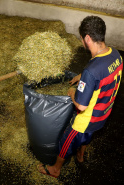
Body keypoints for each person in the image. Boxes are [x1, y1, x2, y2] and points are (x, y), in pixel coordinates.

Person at [37, 15, 123, 178]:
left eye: (82, 38)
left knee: (66, 140)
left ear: (87, 38)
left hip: (87, 118)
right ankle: (80, 156)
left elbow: (81, 106)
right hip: (104, 113)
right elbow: (104, 72)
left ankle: (55, 169)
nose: (82, 41)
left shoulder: (92, 71)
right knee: (89, 135)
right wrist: (82, 75)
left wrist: (72, 93)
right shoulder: (116, 55)